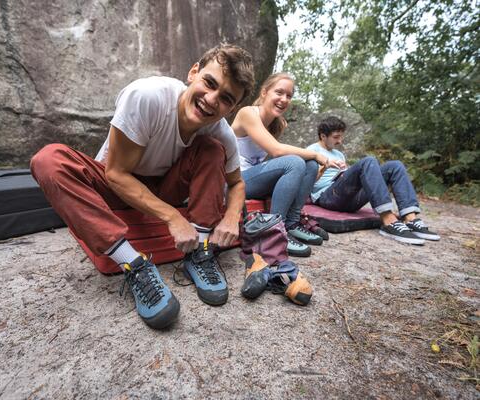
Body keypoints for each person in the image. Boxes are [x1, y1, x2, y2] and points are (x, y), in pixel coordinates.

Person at [30, 44, 255, 330]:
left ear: (232, 108)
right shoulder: (147, 96)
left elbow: (236, 183)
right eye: (209, 83)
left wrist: (231, 217)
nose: (211, 100)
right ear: (193, 72)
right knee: (47, 160)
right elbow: (116, 174)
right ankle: (134, 265)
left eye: (225, 99)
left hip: (164, 188)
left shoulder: (221, 131)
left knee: (211, 149)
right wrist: (173, 218)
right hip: (116, 186)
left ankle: (198, 251)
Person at [231, 73, 343, 257]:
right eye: (279, 92)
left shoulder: (276, 124)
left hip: (252, 178)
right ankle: (274, 232)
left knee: (310, 165)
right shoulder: (248, 113)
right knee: (294, 161)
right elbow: (276, 151)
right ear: (265, 92)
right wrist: (316, 153)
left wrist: (313, 163)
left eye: (289, 96)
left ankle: (292, 223)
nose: (284, 99)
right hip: (235, 179)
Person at [307, 116, 441, 245]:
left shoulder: (339, 154)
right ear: (323, 136)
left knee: (395, 166)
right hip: (327, 197)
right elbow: (306, 181)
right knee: (368, 161)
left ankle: (410, 217)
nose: (340, 141)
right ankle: (388, 221)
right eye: (336, 137)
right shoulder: (312, 150)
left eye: (341, 137)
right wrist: (325, 166)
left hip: (347, 197)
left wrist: (347, 173)